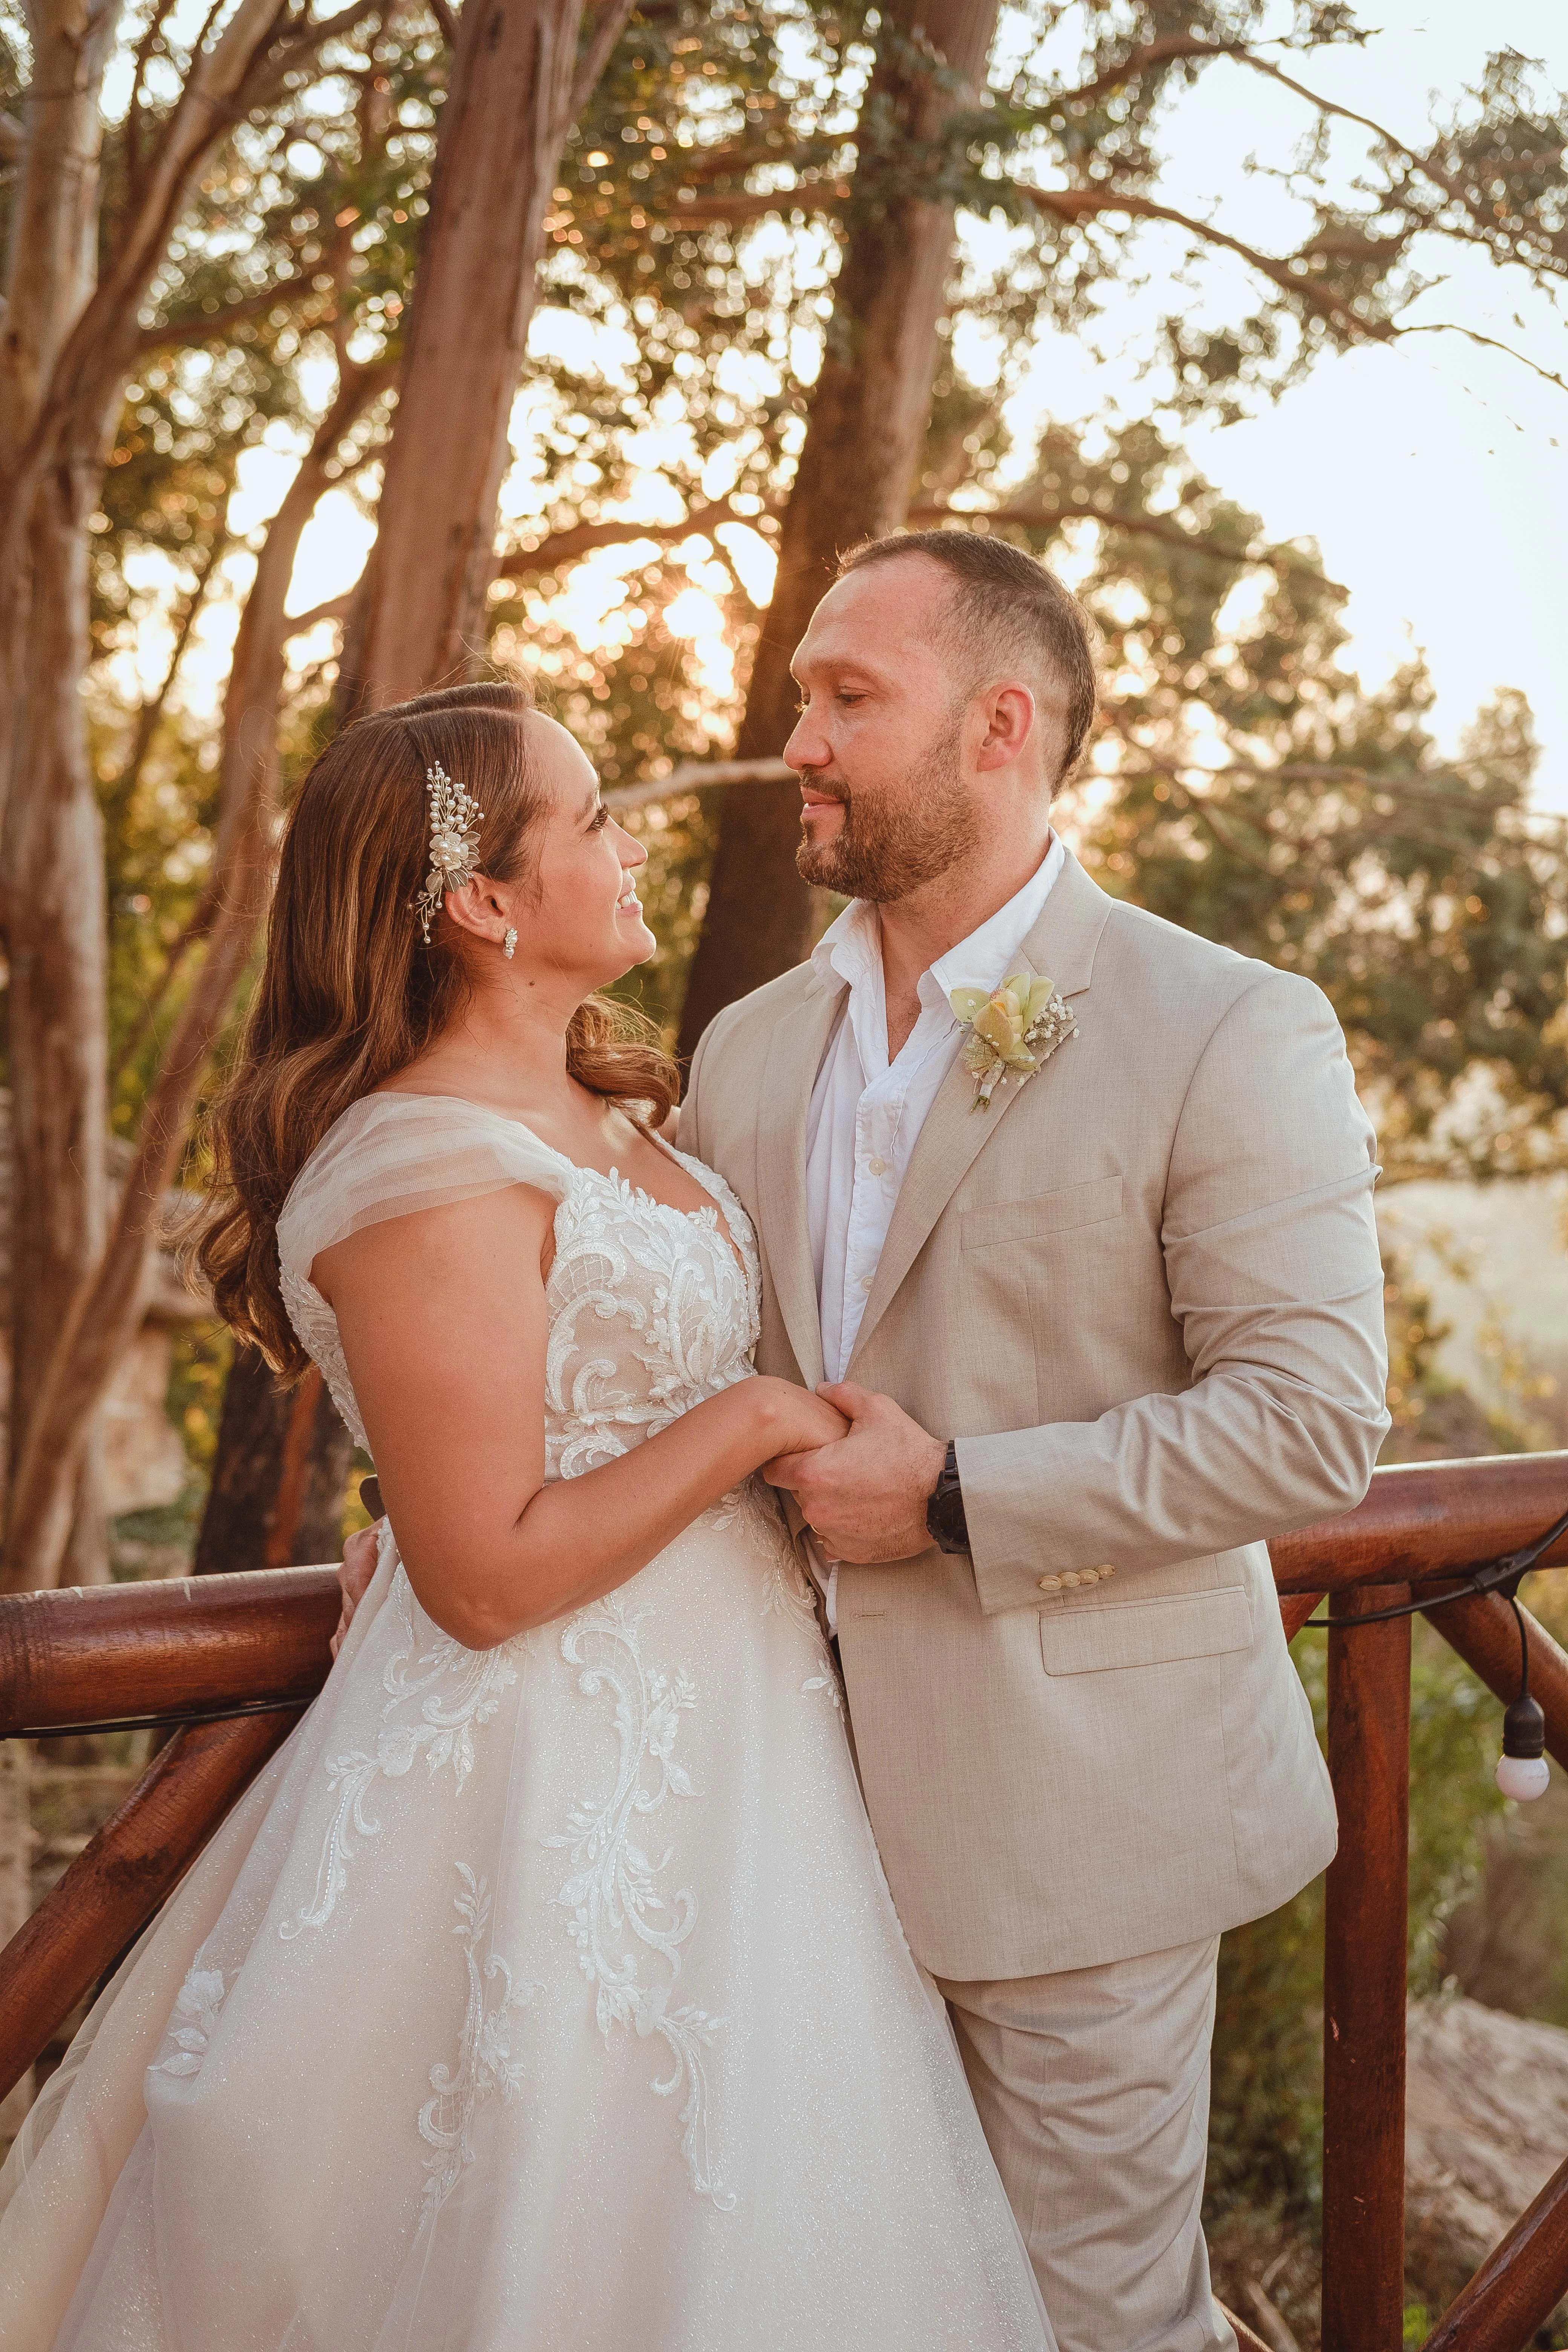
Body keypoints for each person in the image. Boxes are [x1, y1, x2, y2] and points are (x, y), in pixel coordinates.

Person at [346, 533, 1389, 2352]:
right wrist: (430, 1511)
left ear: (997, 726)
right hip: (761, 1832)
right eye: (801, 694)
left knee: (1093, 2322)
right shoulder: (742, 1047)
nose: (796, 738)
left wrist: (963, 1497)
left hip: (1076, 1822)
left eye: (847, 699)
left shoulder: (1221, 1024)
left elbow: (1307, 1426)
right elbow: (637, 1355)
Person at [0, 682, 1055, 2352]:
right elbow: (485, 1577)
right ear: (482, 901)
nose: (630, 843)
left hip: (737, 1760)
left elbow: (508, 1424)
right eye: (591, 819)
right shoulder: (409, 1165)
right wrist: (756, 1420)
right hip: (535, 1776)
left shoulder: (614, 1117)